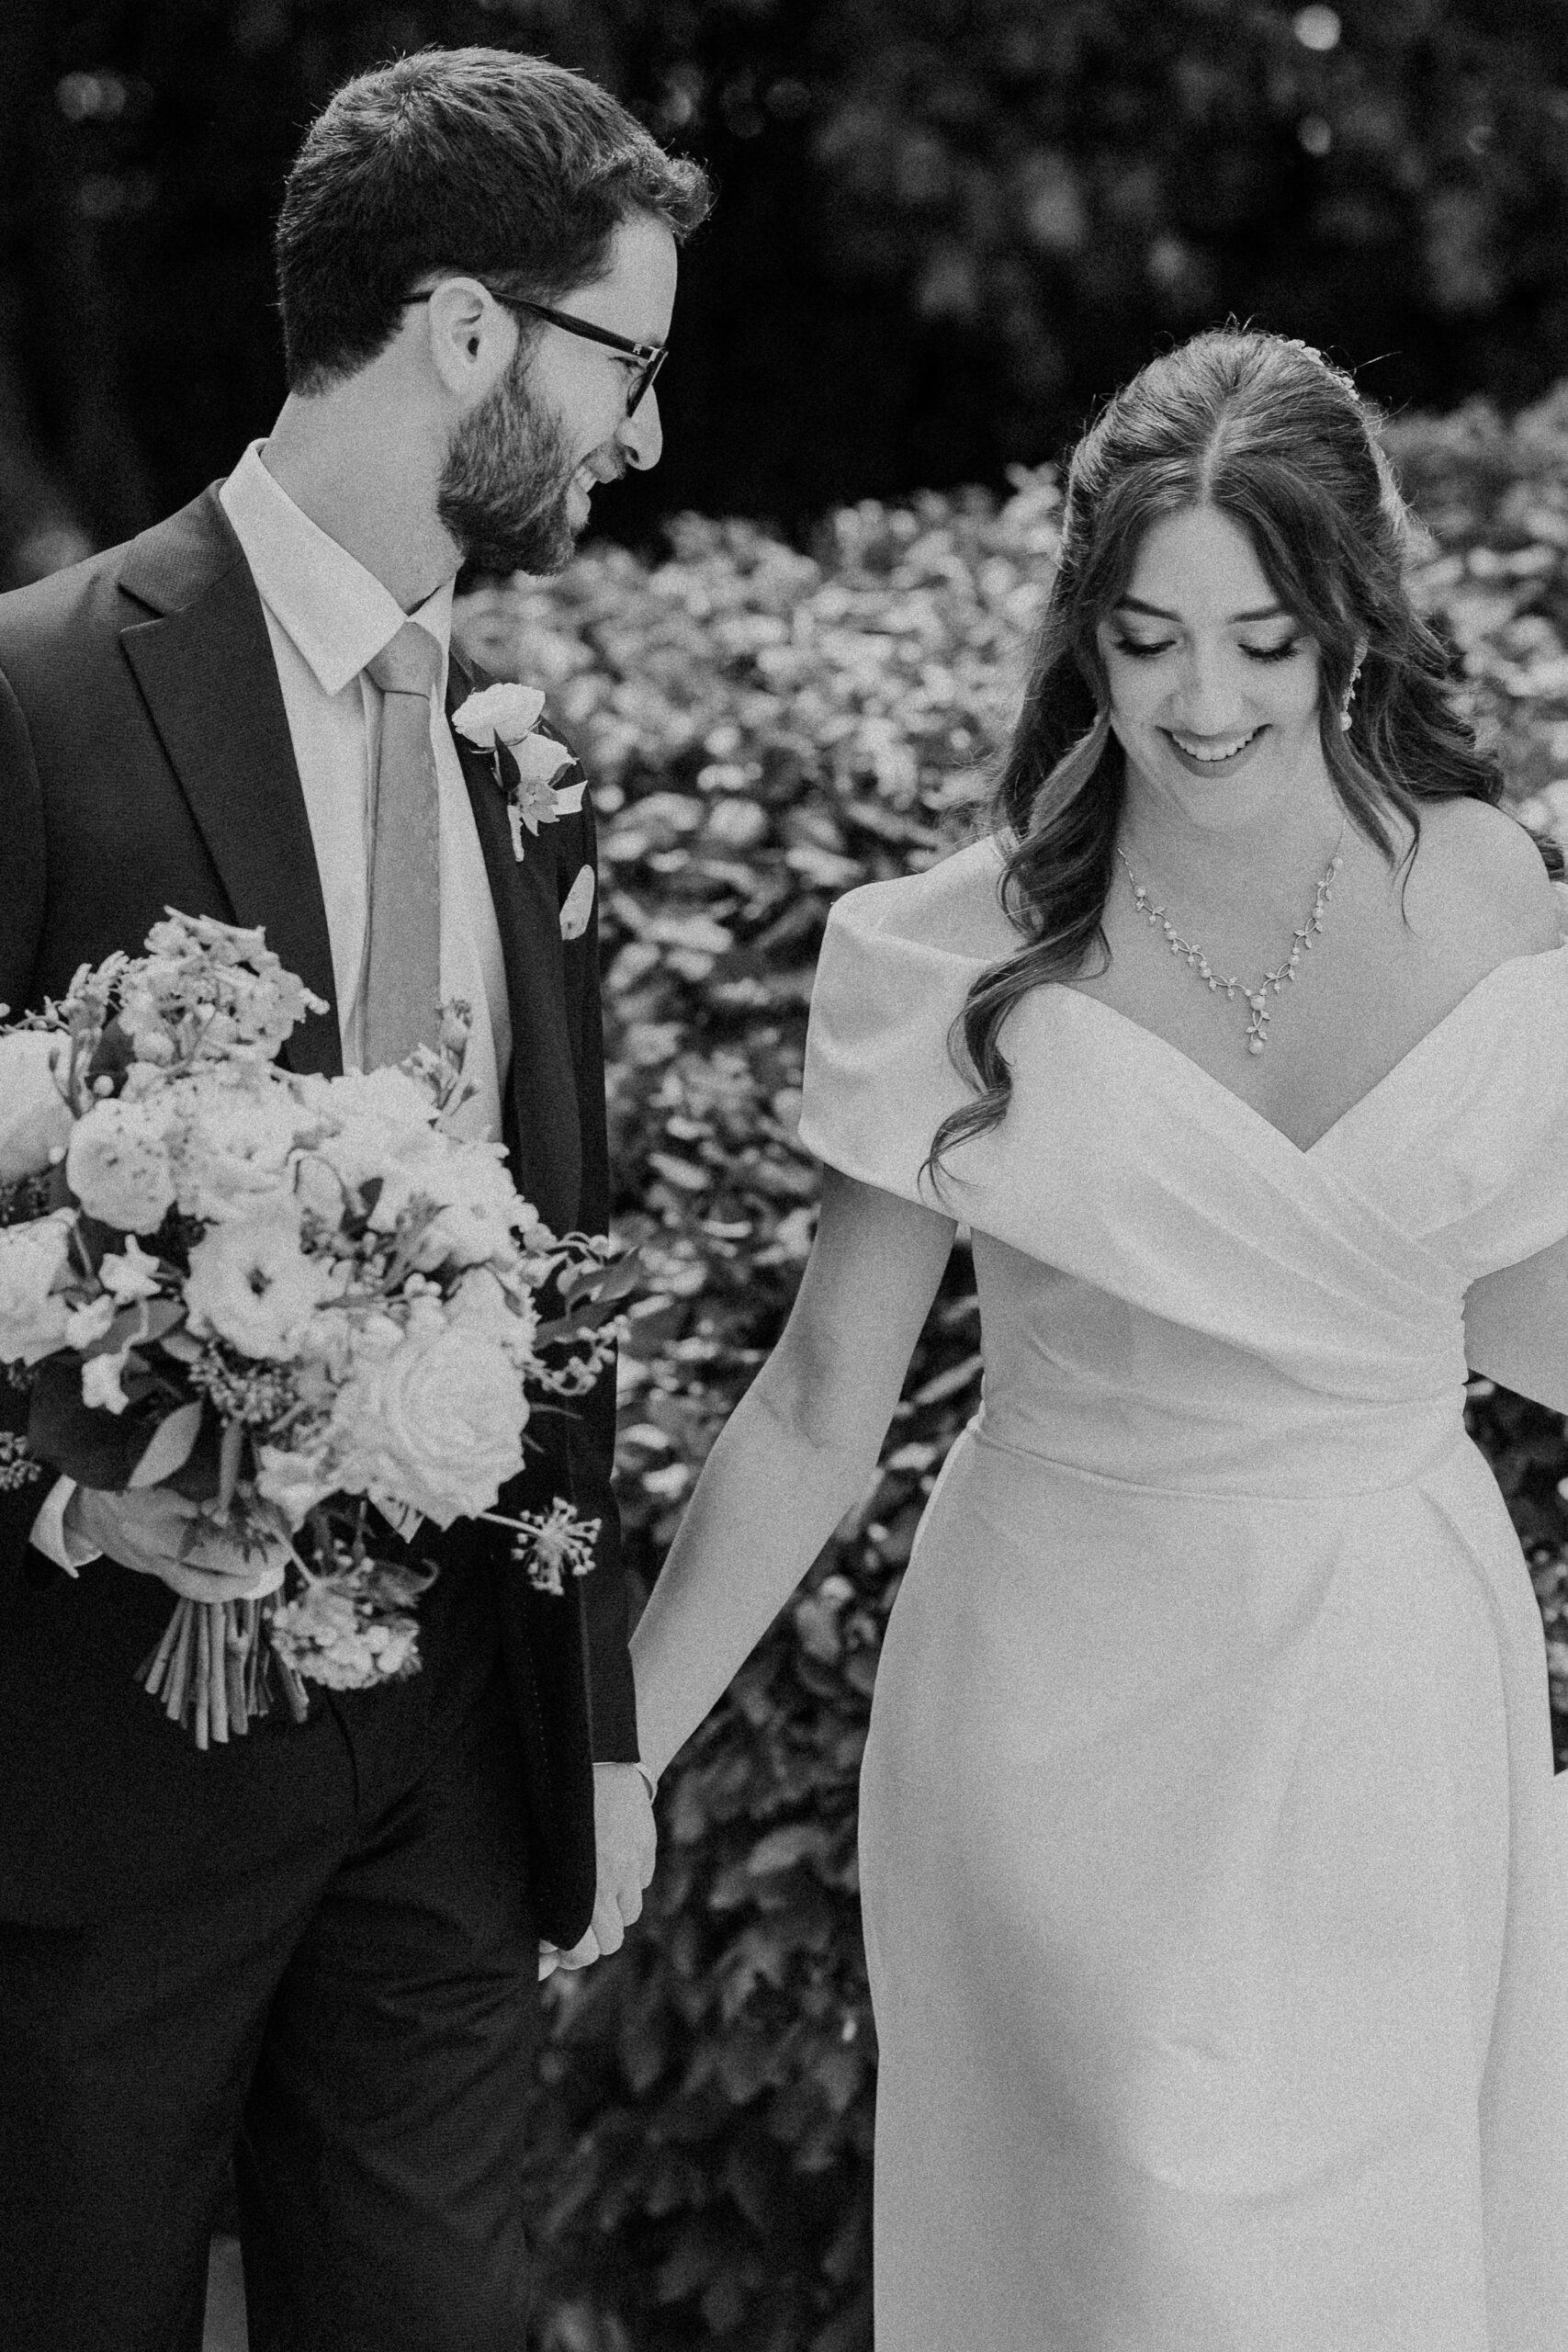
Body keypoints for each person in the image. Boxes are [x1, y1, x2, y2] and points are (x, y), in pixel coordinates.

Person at [630, 328, 1568, 2349]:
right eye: (1146, 639)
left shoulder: (1496, 893)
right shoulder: (949, 953)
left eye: (1259, 638)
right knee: (1140, 2258)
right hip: (1064, 1696)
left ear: (1349, 618)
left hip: (1390, 1691)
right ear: (1082, 629)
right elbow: (814, 1406)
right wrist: (613, 1752)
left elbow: (1500, 1301)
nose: (1201, 703)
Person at [0, 47, 710, 2352]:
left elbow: (561, 1259)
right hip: (90, 1763)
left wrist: (579, 1715)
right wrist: (66, 1495)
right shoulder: (40, 696)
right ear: (471, 330)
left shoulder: (522, 768)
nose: (645, 433)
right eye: (629, 361)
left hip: (443, 1779)